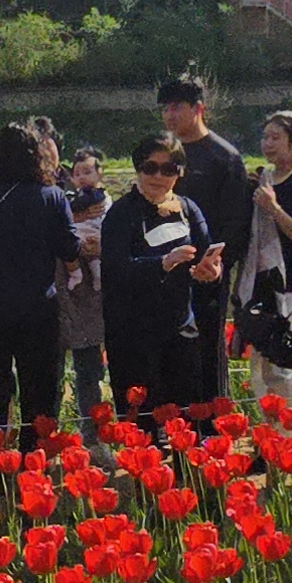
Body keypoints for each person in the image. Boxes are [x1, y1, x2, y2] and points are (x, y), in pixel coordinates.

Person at [0, 122, 85, 440]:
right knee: (39, 393)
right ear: (36, 156)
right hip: (37, 307)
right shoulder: (51, 196)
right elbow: (69, 247)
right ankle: (33, 456)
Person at [103, 136, 227, 422]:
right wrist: (163, 263)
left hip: (181, 329)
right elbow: (115, 270)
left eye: (168, 169)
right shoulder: (121, 213)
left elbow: (205, 256)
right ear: (138, 169)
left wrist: (212, 272)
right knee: (142, 424)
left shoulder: (188, 209)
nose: (158, 176)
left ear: (179, 172)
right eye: (150, 168)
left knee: (186, 421)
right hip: (134, 335)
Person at [157, 73, 250, 374]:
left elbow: (236, 223)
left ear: (198, 108)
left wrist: (214, 264)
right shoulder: (163, 157)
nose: (169, 115)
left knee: (207, 353)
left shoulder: (224, 157)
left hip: (208, 272)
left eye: (176, 107)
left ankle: (212, 406)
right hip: (165, 269)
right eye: (165, 109)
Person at [234, 110, 292, 413]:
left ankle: (291, 434)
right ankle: (271, 435)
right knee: (260, 372)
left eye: (275, 138)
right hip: (264, 291)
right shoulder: (263, 181)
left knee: (287, 372)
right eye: (265, 137)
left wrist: (274, 208)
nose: (267, 143)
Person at [58, 155, 112, 422]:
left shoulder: (102, 199)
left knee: (90, 369)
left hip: (88, 300)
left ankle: (94, 430)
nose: (82, 177)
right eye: (77, 172)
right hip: (58, 294)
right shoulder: (62, 197)